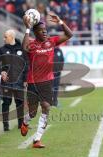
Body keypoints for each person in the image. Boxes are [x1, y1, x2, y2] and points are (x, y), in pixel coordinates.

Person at [20, 13, 72, 148]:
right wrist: (27, 28)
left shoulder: (52, 41)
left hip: (47, 82)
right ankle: (25, 122)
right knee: (32, 112)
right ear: (35, 32)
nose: (44, 32)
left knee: (46, 107)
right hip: (33, 82)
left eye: (45, 30)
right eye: (41, 30)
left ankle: (37, 139)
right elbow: (24, 48)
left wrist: (60, 21)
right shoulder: (31, 45)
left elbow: (69, 34)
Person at [0, 29, 27, 131]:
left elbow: (27, 65)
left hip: (19, 81)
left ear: (12, 37)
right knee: (6, 103)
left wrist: (25, 79)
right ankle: (5, 125)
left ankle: (21, 124)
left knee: (20, 103)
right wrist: (1, 71)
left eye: (5, 37)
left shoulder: (22, 49)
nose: (4, 39)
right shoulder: (1, 50)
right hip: (6, 82)